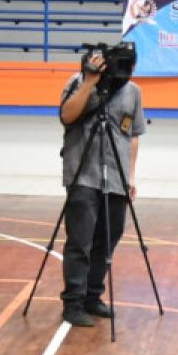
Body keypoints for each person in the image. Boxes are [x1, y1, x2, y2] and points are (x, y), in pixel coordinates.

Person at [58, 47, 147, 327]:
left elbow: (132, 134)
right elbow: (67, 116)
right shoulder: (77, 82)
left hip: (117, 179)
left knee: (108, 239)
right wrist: (89, 82)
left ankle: (93, 296)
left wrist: (130, 176)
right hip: (83, 174)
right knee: (80, 242)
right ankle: (73, 302)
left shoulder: (133, 91)